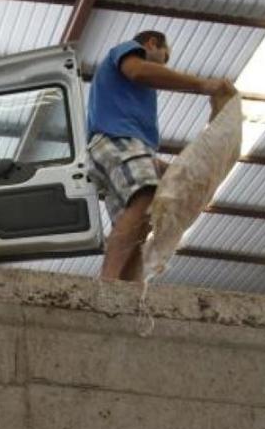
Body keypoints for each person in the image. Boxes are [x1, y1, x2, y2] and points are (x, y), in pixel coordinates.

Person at [87, 31, 235, 281]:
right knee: (146, 195)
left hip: (119, 146)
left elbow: (138, 156)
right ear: (152, 43)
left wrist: (170, 169)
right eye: (163, 58)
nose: (163, 66)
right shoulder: (127, 52)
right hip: (115, 139)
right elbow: (138, 70)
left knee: (141, 220)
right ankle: (109, 283)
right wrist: (203, 84)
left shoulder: (130, 101)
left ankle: (127, 287)